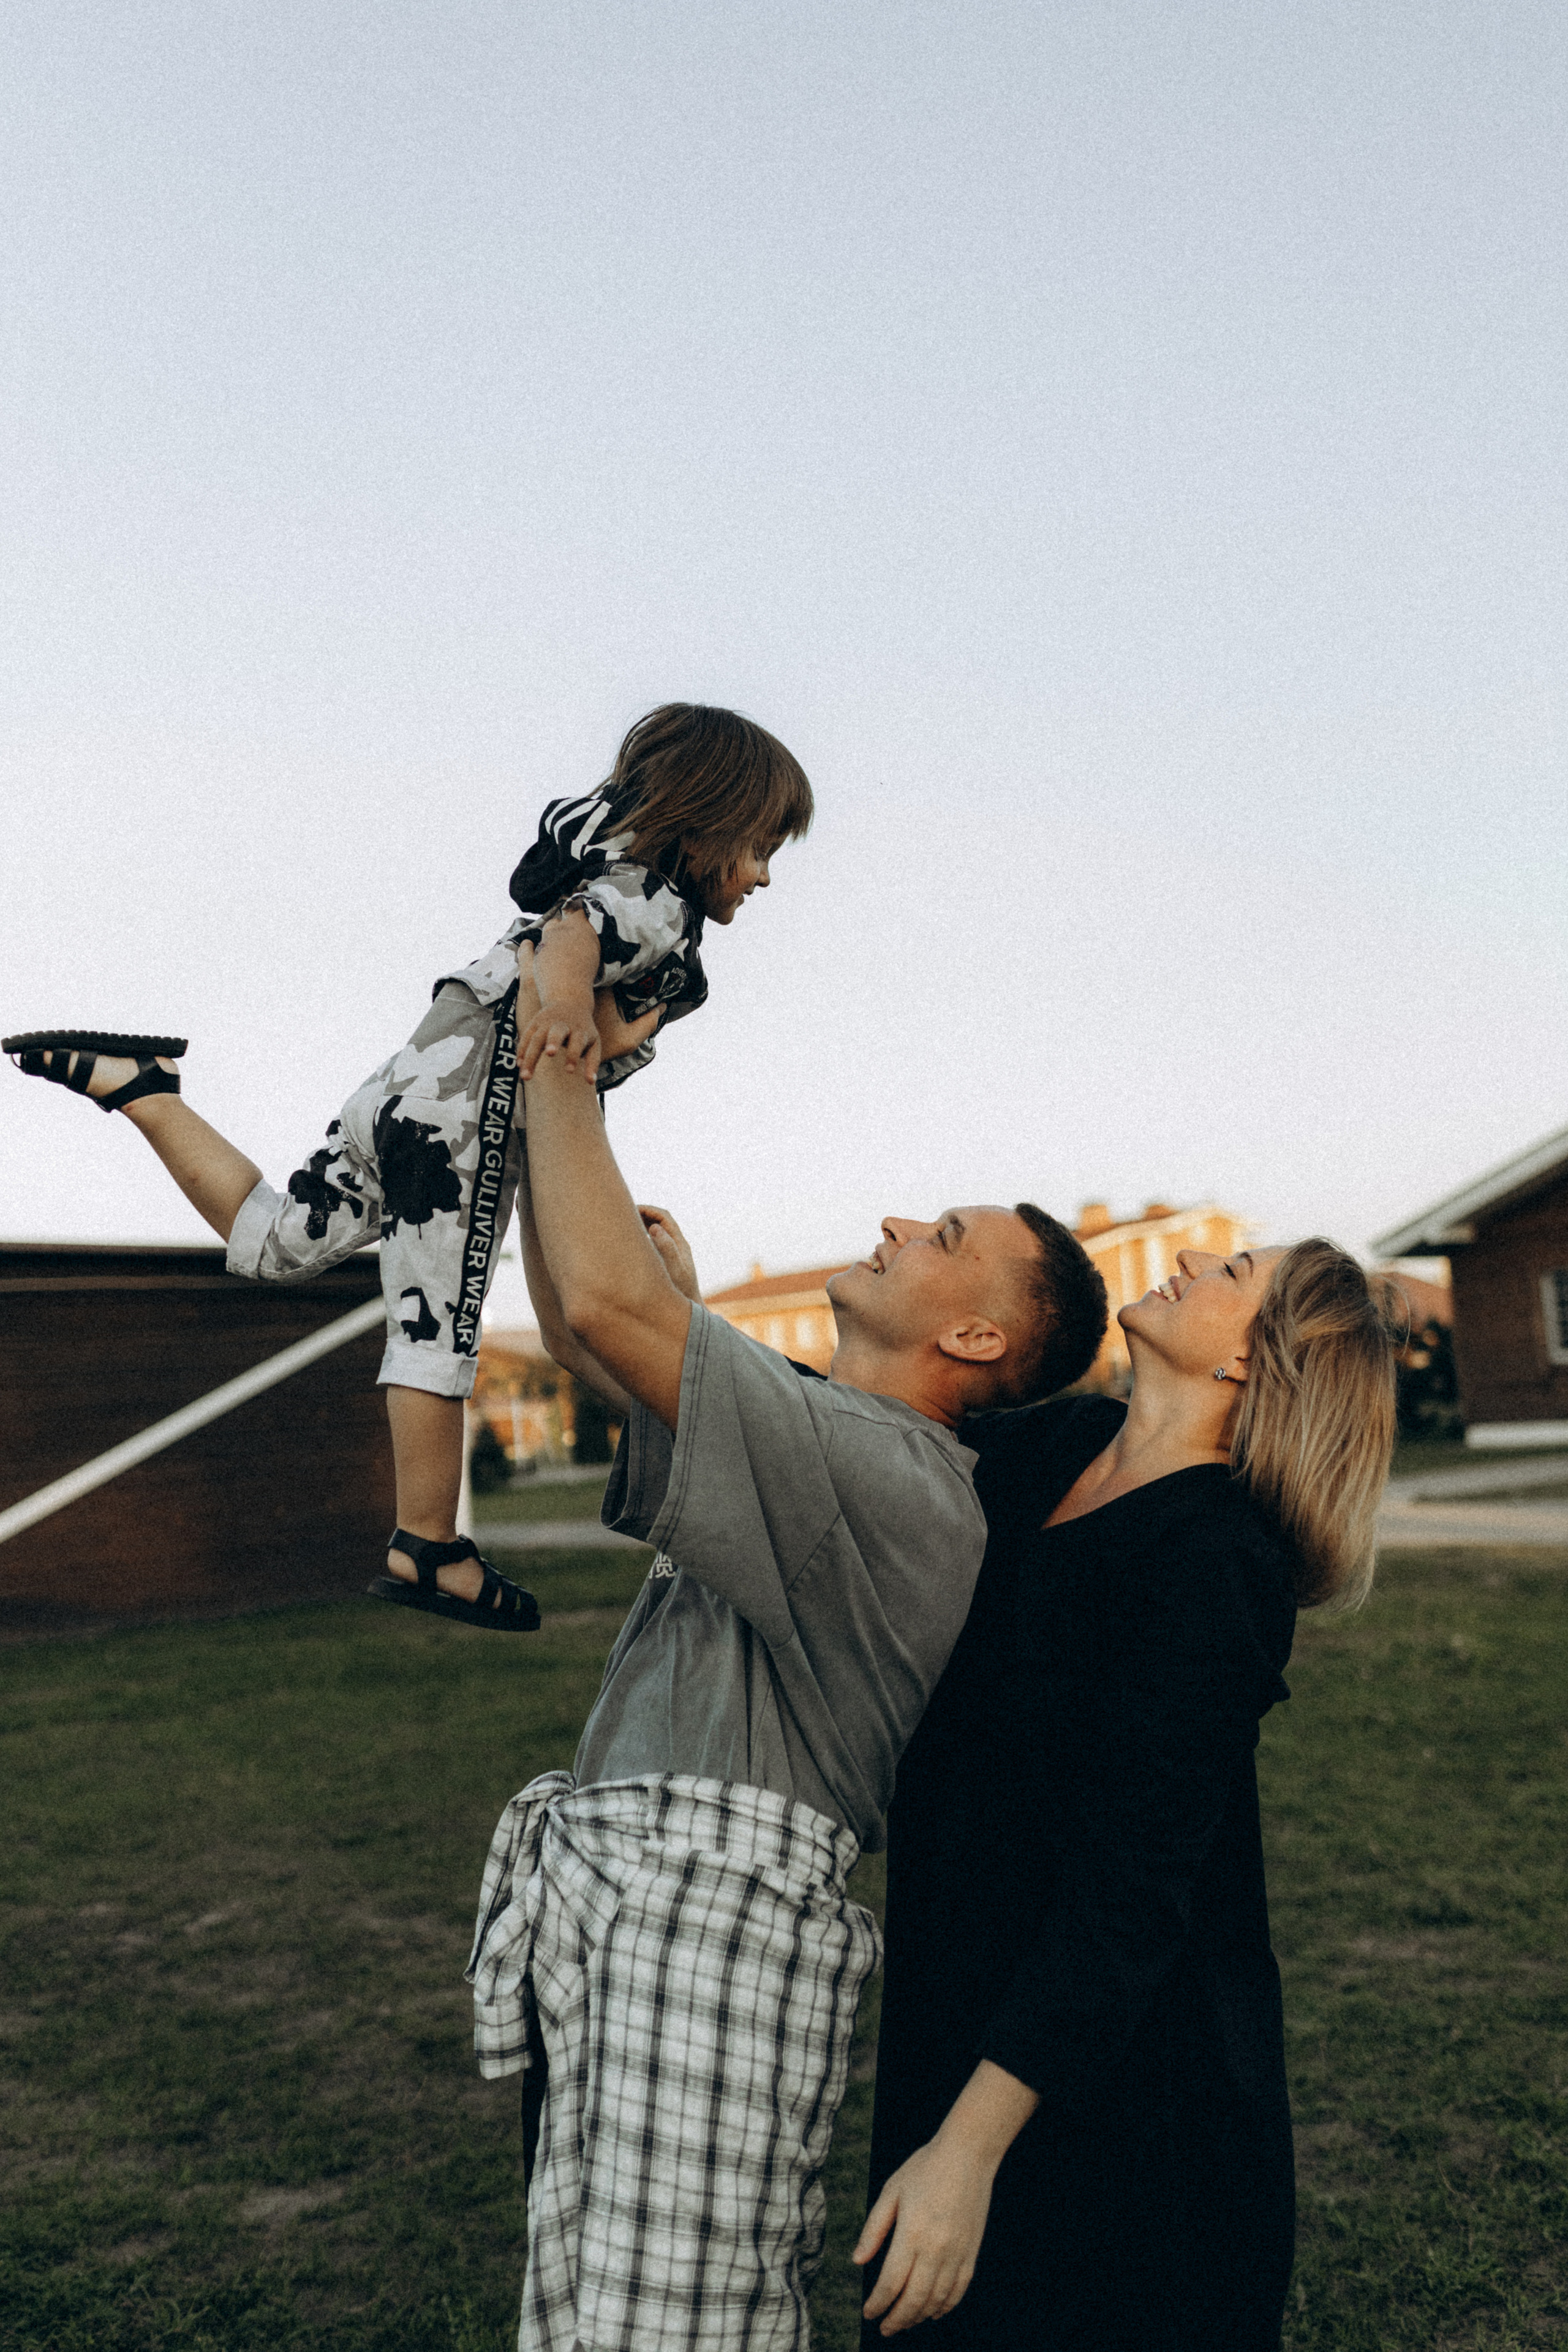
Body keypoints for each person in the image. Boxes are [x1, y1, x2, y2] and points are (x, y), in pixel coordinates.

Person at [463, 946, 1110, 2352]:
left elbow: (604, 1310)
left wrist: (560, 1049)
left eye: (942, 1234)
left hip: (715, 1921)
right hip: (644, 1904)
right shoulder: (831, 1440)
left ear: (981, 1329)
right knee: (591, 2323)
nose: (896, 1221)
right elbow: (598, 1326)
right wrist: (547, 1101)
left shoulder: (898, 1479)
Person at [3, 703, 811, 1628]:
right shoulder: (649, 897)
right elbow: (571, 938)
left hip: (408, 1089)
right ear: (706, 823)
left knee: (274, 1240)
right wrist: (569, 1016)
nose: (764, 875)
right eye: (760, 846)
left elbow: (571, 954)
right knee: (439, 1322)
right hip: (464, 1120)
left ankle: (144, 1089)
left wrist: (603, 1023)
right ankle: (430, 1545)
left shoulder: (606, 885)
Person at [853, 1238, 1402, 2349]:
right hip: (955, 2001)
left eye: (1236, 1270)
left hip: (1139, 2112)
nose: (1197, 1255)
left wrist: (968, 2152)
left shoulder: (1219, 1560)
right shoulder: (1054, 1447)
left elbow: (1131, 1892)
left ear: (1255, 1360)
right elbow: (874, 1435)